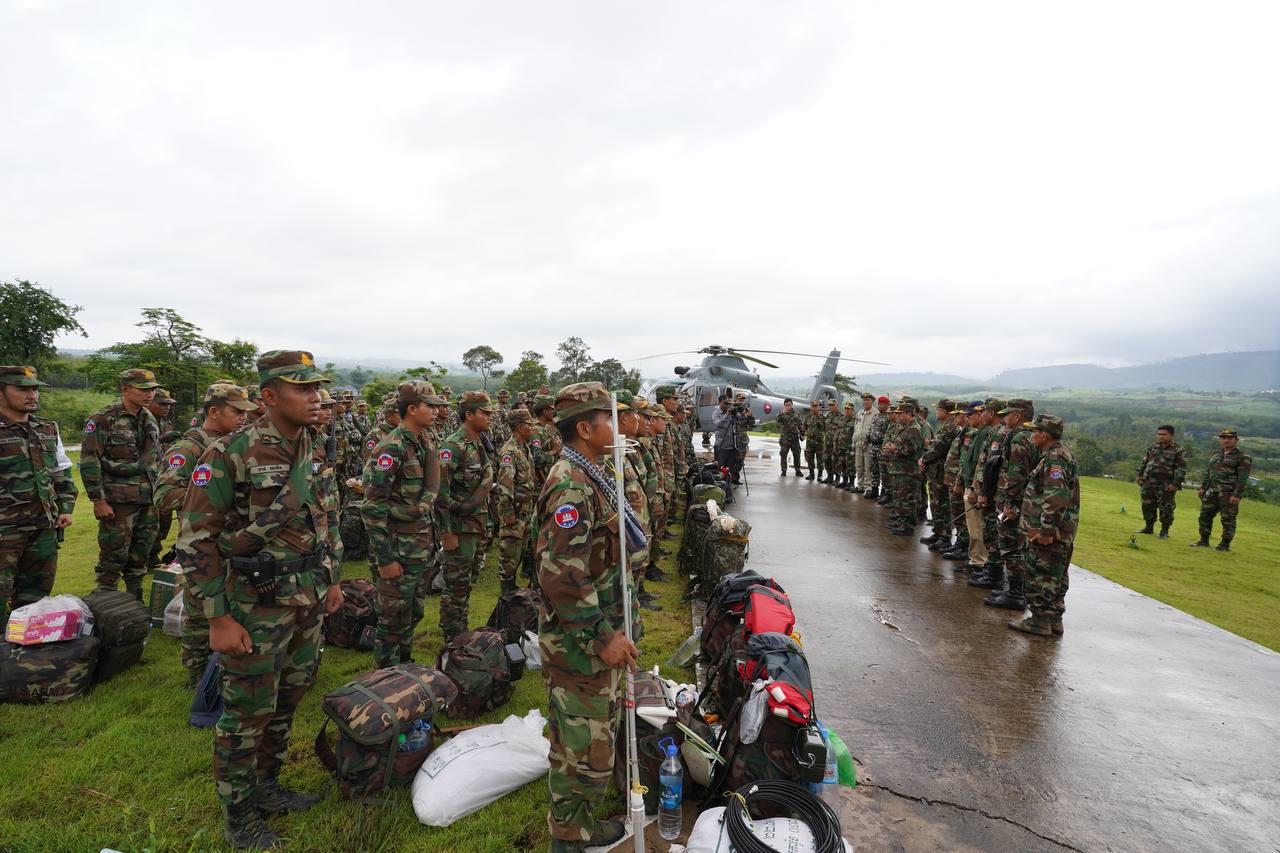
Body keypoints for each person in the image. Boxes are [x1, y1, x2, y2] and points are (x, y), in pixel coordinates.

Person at [176, 350, 343, 849]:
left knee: (289, 697)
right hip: (254, 602)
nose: (316, 398)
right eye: (303, 389)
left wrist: (332, 580)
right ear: (269, 397)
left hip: (306, 595)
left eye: (318, 388)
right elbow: (196, 541)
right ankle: (239, 812)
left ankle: (268, 786)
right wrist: (218, 618)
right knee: (247, 712)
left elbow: (324, 517)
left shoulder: (314, 444)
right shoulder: (231, 452)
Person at [535, 381, 637, 853]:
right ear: (584, 428)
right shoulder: (572, 486)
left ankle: (577, 827)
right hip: (579, 643)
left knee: (592, 741)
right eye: (609, 419)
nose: (618, 427)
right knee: (581, 749)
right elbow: (560, 576)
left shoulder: (592, 472)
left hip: (597, 632)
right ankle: (567, 840)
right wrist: (601, 637)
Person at [152, 382, 256, 686]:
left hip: (233, 543)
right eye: (237, 411)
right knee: (199, 613)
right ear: (214, 411)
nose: (244, 418)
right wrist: (211, 499)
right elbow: (164, 495)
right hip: (201, 543)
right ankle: (197, 679)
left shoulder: (237, 444)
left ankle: (228, 671)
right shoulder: (190, 447)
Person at [361, 380, 444, 667]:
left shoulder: (423, 441)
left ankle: (403, 672)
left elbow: (427, 495)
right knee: (392, 620)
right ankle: (382, 681)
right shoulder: (391, 448)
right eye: (430, 406)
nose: (436, 411)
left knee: (413, 613)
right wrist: (385, 559)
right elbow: (372, 507)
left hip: (419, 548)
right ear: (411, 408)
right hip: (397, 552)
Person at [0, 365, 76, 625]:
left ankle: (22, 657)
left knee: (35, 601)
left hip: (42, 529)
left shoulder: (46, 428)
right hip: (5, 532)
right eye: (22, 389)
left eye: (34, 389)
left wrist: (66, 507)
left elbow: (61, 471)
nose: (32, 395)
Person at [80, 368, 162, 600]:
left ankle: (134, 602)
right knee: (113, 555)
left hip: (148, 497)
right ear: (126, 389)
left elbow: (154, 457)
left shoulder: (148, 417)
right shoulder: (103, 418)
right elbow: (89, 460)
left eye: (153, 390)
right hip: (118, 501)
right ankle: (104, 602)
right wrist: (99, 500)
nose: (150, 394)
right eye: (144, 389)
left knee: (141, 553)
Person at [435, 390, 496, 641]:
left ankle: (460, 628)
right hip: (458, 528)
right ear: (469, 415)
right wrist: (446, 532)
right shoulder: (453, 446)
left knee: (468, 581)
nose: (490, 417)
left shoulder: (480, 443)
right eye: (485, 412)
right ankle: (453, 635)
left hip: (477, 525)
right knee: (456, 585)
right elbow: (439, 494)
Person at [1010, 414, 1079, 638]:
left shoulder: (1055, 459)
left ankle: (1040, 621)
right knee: (1056, 573)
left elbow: (1055, 497)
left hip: (1047, 530)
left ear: (1044, 435)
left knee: (1041, 573)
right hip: (1058, 529)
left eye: (1034, 431)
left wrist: (1046, 530)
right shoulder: (1056, 455)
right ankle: (1054, 619)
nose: (1031, 435)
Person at [981, 399, 1038, 607]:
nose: (1004, 418)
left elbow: (1016, 475)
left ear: (1018, 416)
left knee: (1011, 545)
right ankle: (1012, 589)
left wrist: (1010, 503)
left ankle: (1015, 594)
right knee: (1012, 544)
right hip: (1019, 499)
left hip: (1014, 500)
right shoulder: (1027, 436)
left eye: (1008, 414)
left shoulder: (1020, 438)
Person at [494, 408, 539, 594]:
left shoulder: (523, 448)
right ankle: (507, 596)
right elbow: (505, 485)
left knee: (521, 552)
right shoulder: (510, 451)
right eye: (529, 425)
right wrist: (507, 513)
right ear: (520, 427)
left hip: (525, 510)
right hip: (514, 512)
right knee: (510, 557)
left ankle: (515, 596)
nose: (532, 429)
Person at [1192, 429, 1252, 552]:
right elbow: (1208, 472)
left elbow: (1243, 478)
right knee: (1204, 516)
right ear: (1220, 439)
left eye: (1229, 438)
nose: (1226, 440)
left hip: (1228, 493)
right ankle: (1204, 540)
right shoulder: (1216, 454)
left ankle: (1224, 545)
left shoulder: (1243, 457)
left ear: (1236, 440)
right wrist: (1203, 487)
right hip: (1212, 491)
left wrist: (1237, 494)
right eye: (1223, 437)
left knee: (1228, 519)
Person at [1137, 425, 1187, 538]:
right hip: (1148, 482)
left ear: (1171, 435)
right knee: (1147, 505)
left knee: (1166, 508)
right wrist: (1140, 475)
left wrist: (1175, 484)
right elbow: (1144, 462)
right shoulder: (1153, 447)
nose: (1161, 436)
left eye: (1164, 434)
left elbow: (1181, 469)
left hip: (1165, 484)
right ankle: (1148, 527)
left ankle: (1164, 531)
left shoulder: (1178, 450)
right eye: (1159, 434)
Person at [862, 396, 890, 498]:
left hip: (882, 447)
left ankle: (884, 491)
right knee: (874, 469)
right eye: (879, 404)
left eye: (882, 404)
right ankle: (874, 489)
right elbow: (870, 430)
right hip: (873, 446)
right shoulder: (876, 416)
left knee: (883, 470)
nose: (880, 406)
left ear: (887, 405)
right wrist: (866, 441)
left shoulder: (889, 417)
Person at [851, 392, 875, 492]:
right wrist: (853, 442)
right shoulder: (859, 413)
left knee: (868, 467)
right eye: (864, 400)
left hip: (868, 445)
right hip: (858, 444)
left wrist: (869, 442)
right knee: (859, 467)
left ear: (872, 401)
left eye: (867, 400)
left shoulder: (875, 414)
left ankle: (868, 487)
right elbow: (856, 429)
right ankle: (860, 485)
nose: (865, 402)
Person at [776, 398, 803, 476]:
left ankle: (798, 470)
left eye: (789, 405)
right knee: (783, 454)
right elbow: (777, 424)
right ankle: (783, 470)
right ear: (784, 406)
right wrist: (782, 414)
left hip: (795, 438)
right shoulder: (781, 414)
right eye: (786, 405)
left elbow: (800, 425)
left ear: (792, 405)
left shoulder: (796, 414)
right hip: (785, 439)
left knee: (797, 454)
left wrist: (802, 433)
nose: (788, 406)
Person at [803, 399, 824, 481]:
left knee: (820, 459)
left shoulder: (823, 417)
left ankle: (820, 475)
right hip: (809, 442)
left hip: (819, 442)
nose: (814, 408)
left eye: (816, 406)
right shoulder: (808, 417)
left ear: (819, 407)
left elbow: (826, 429)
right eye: (813, 406)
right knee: (810, 458)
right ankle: (811, 474)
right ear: (811, 407)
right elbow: (804, 428)